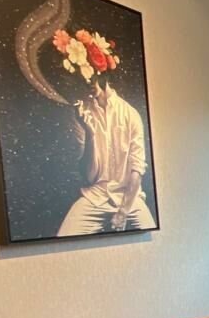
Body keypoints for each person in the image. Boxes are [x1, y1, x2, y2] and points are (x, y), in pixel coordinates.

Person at [56, 77, 154, 236]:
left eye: (91, 78)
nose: (87, 83)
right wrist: (89, 133)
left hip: (129, 198)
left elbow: (137, 169)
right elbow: (89, 176)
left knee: (152, 234)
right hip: (95, 196)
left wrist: (123, 212)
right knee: (63, 236)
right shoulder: (84, 113)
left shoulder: (131, 114)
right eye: (82, 79)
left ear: (103, 75)